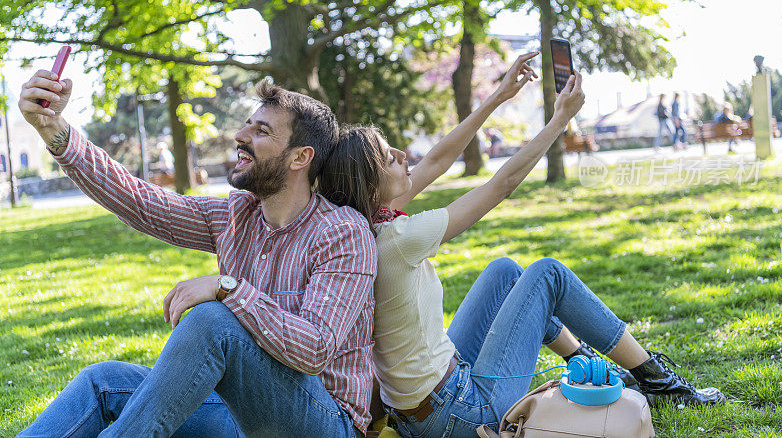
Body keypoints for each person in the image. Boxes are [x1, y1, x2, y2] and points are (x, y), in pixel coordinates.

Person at [318, 53, 725, 438]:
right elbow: (502, 184)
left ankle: (588, 362)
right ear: (370, 186)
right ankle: (659, 379)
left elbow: (439, 159)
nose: (403, 156)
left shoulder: (366, 224)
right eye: (389, 158)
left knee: (505, 272)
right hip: (459, 413)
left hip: (421, 413)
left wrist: (498, 95)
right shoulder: (400, 239)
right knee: (548, 274)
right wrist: (559, 121)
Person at [16, 71, 376, 437]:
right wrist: (52, 127)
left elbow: (314, 349)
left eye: (261, 131)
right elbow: (140, 202)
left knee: (213, 320)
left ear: (300, 157)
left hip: (327, 422)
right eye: (247, 125)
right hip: (243, 418)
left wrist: (229, 289)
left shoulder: (342, 232)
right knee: (104, 381)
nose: (240, 137)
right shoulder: (237, 217)